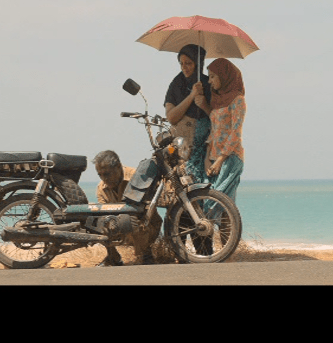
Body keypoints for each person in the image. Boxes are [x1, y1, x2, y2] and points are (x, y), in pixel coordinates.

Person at [93, 150, 161, 266]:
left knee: (132, 219)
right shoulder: (101, 188)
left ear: (118, 167)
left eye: (107, 174)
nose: (104, 179)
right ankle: (113, 256)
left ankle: (146, 255)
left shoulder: (138, 178)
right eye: (100, 175)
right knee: (98, 222)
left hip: (146, 226)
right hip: (122, 228)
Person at [164, 43, 212, 187]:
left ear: (198, 63)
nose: (184, 67)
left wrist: (204, 104)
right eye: (181, 63)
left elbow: (219, 118)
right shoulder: (176, 85)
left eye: (189, 63)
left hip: (205, 148)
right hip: (181, 147)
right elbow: (171, 117)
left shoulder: (209, 84)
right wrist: (191, 96)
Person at [204, 58, 246, 201]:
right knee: (210, 202)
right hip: (213, 160)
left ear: (223, 76)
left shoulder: (238, 99)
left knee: (218, 203)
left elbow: (236, 133)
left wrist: (220, 160)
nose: (209, 81)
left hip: (230, 158)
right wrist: (207, 159)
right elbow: (213, 131)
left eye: (212, 76)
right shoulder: (217, 100)